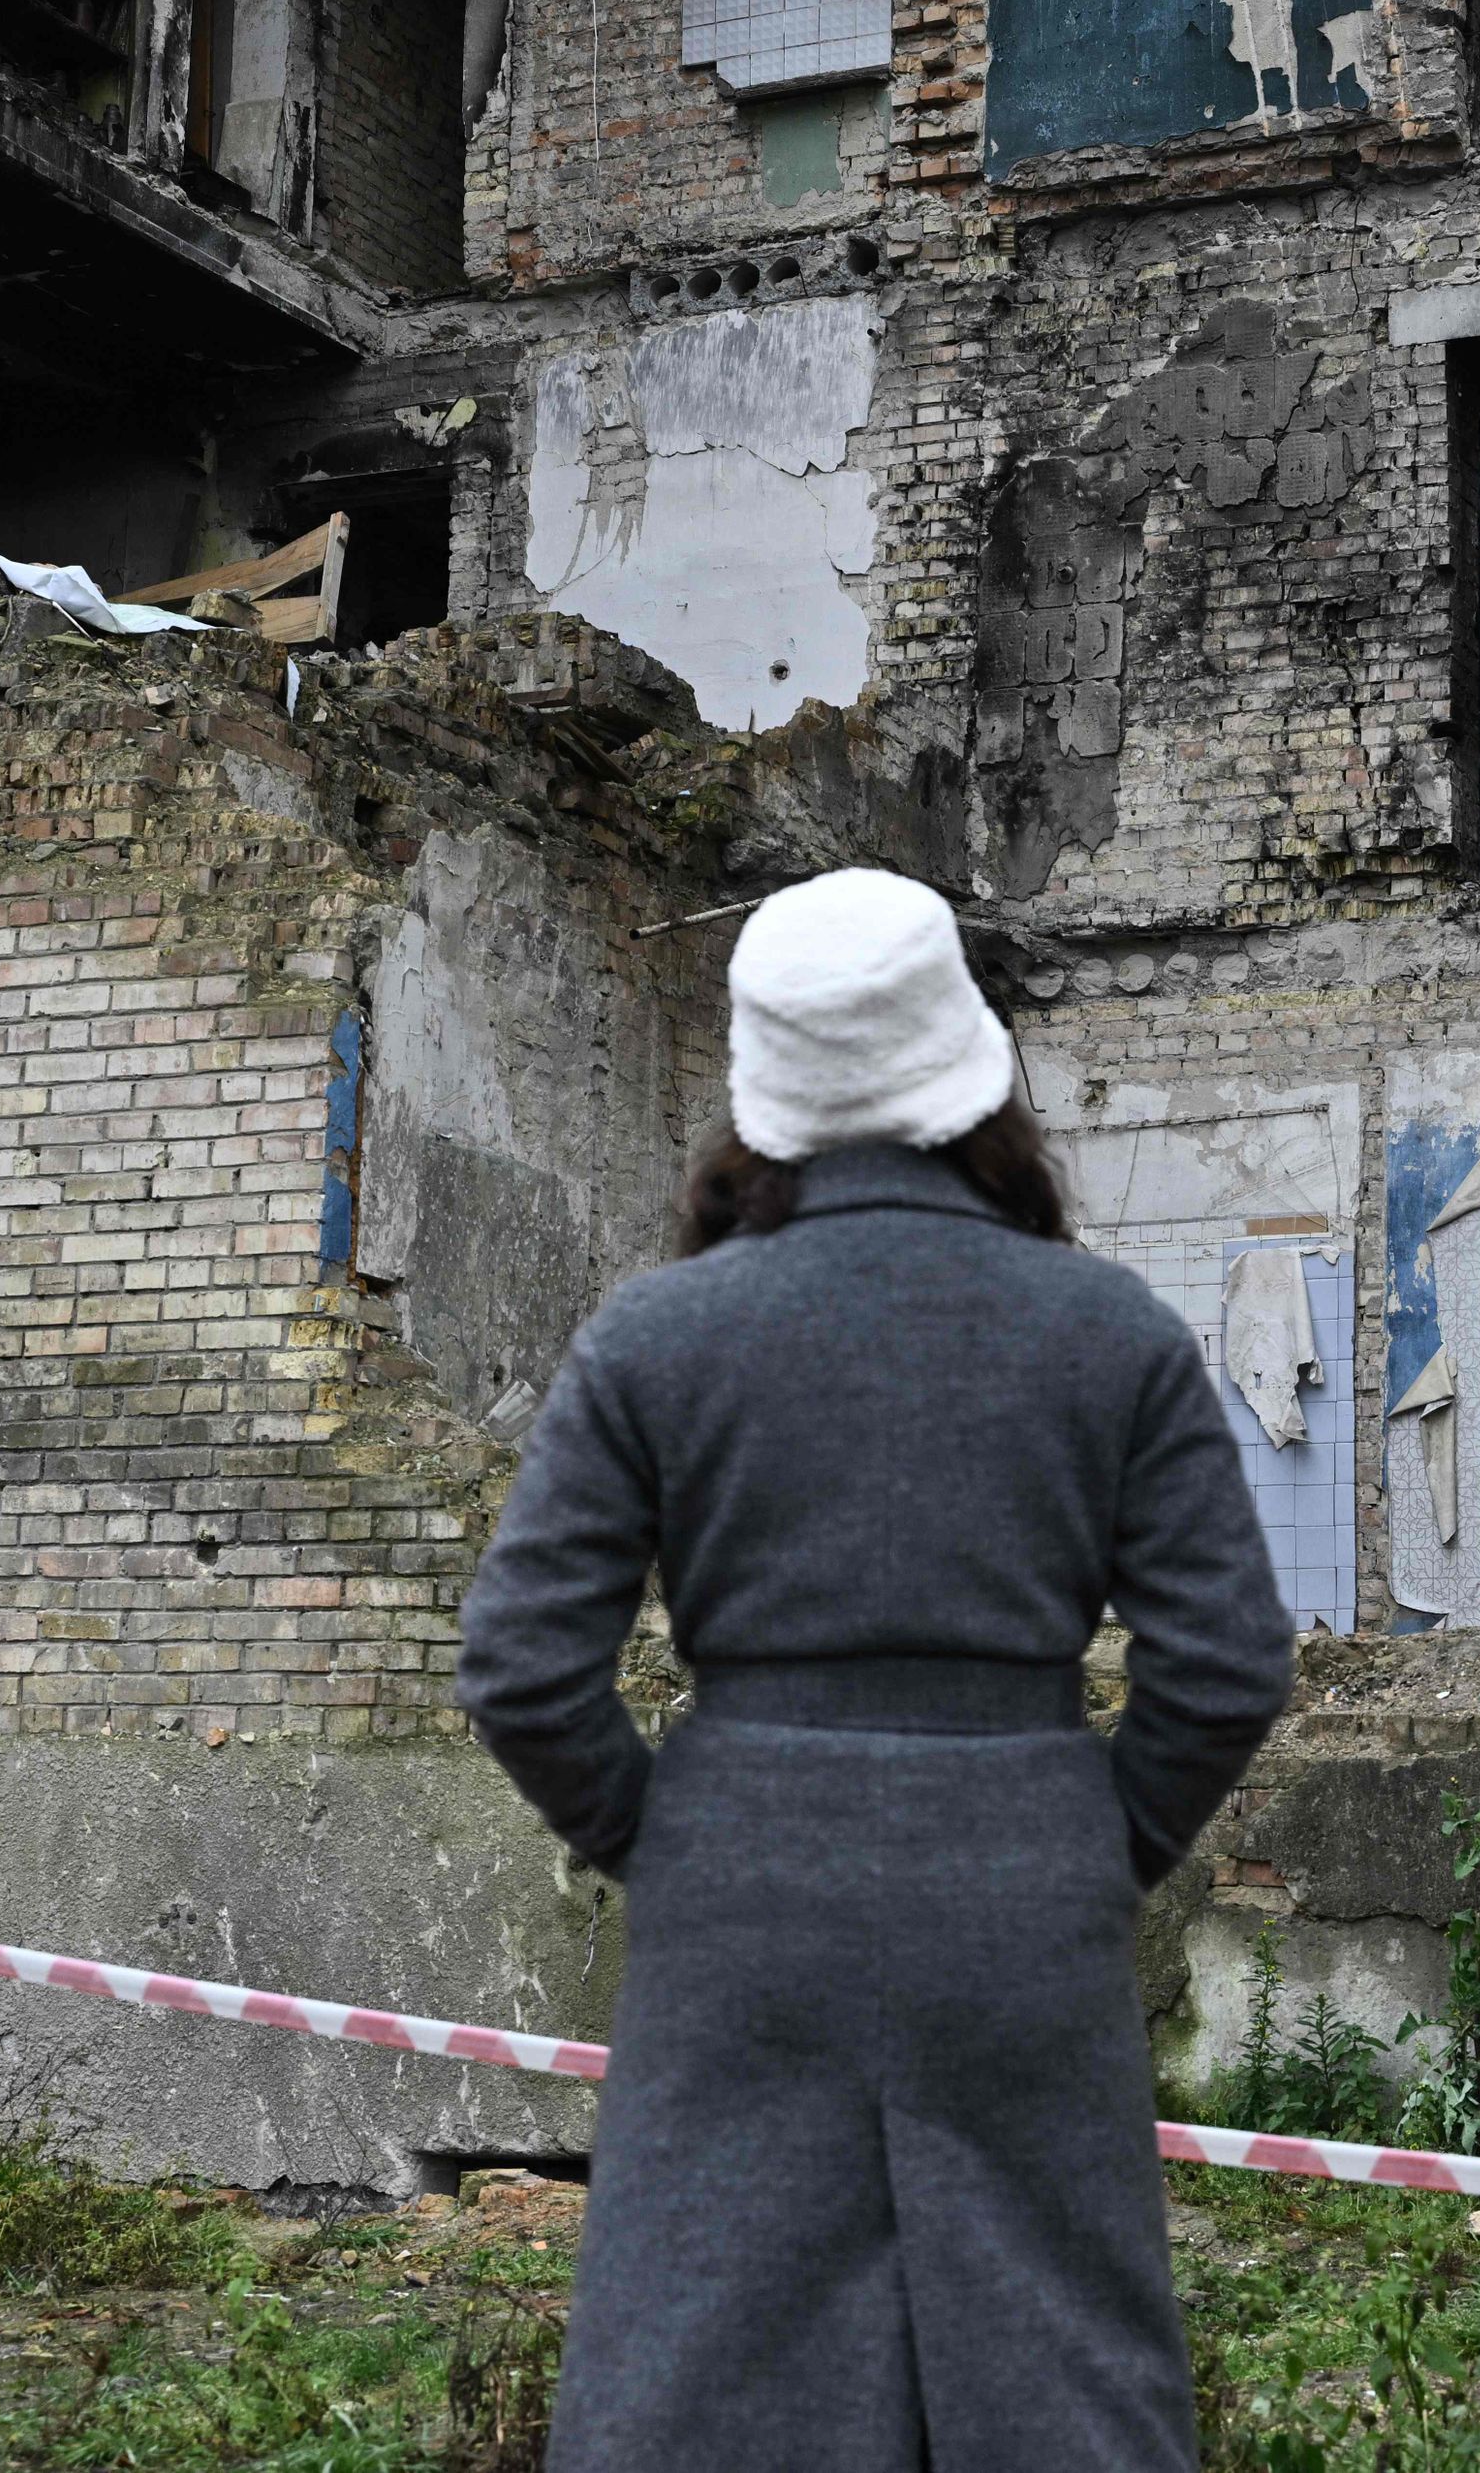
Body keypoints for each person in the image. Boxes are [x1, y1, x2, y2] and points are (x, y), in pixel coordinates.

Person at [455, 866, 1296, 2473]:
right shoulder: (1109, 1329)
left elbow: (520, 1668)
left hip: (741, 1891)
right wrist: (1088, 1837)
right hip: (1021, 1886)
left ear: (760, 1094)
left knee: (701, 2364)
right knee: (1061, 2360)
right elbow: (1228, 1659)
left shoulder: (654, 1336)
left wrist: (673, 1837)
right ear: (971, 1066)